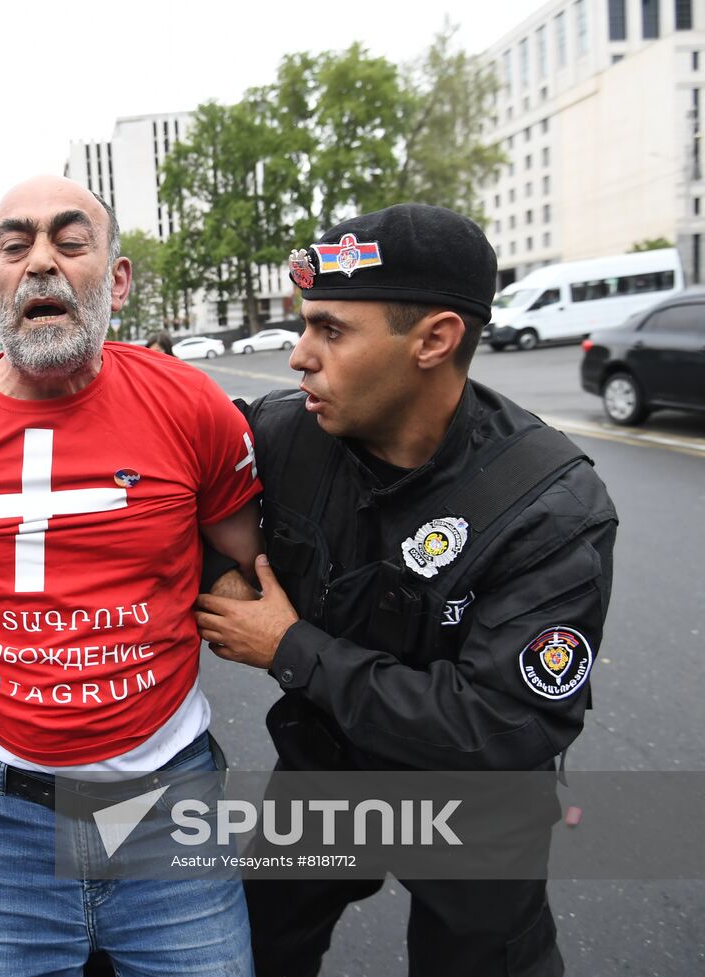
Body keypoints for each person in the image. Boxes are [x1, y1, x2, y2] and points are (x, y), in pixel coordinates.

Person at [193, 203, 619, 977]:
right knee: (249, 948)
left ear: (434, 339)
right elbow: (174, 485)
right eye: (304, 326)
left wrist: (289, 646)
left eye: (331, 329)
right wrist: (225, 578)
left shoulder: (549, 506)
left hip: (476, 807)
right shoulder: (286, 437)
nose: (299, 356)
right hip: (332, 773)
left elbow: (504, 726)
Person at [0, 175, 265, 976]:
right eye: (15, 246)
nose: (40, 261)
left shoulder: (192, 405)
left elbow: (240, 563)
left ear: (114, 278)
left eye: (70, 242)